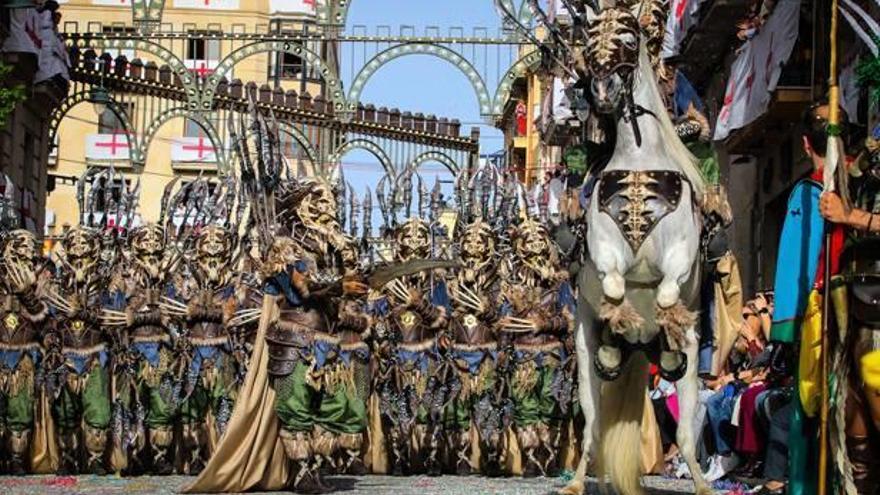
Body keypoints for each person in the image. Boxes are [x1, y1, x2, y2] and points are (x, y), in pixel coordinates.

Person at [820, 120, 880, 495]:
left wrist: (852, 216)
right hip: (860, 305)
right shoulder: (869, 161)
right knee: (850, 416)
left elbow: (853, 215)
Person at [0, 230, 48, 474]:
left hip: (24, 353)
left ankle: (18, 459)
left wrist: (26, 293)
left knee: (20, 409)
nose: (29, 251)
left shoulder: (41, 278)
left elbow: (44, 318)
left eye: (32, 246)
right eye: (23, 246)